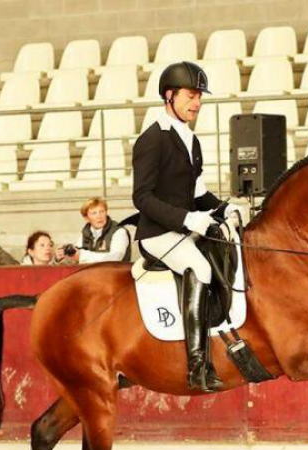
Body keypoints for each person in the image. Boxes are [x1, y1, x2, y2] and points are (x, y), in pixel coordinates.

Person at [132, 61, 241, 393]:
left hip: (183, 230)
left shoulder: (191, 141)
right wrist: (186, 219)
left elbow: (197, 193)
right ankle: (196, 364)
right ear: (170, 96)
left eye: (199, 97)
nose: (197, 103)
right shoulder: (153, 140)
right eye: (191, 95)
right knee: (199, 266)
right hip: (158, 234)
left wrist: (224, 207)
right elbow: (142, 198)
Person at [55, 197, 131, 264]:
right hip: (92, 277)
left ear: (106, 213)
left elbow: (115, 258)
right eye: (94, 213)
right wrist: (63, 256)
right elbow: (76, 258)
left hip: (116, 278)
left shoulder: (119, 231)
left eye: (102, 211)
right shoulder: (85, 234)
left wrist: (81, 255)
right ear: (86, 218)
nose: (99, 216)